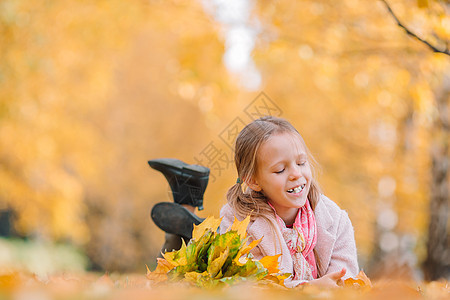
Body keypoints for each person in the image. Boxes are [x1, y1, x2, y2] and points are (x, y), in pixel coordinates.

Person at [219, 116, 359, 288]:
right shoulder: (238, 222)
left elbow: (345, 279)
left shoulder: (335, 219)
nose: (296, 174)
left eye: (301, 163)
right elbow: (250, 285)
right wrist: (306, 290)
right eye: (280, 170)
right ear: (253, 181)